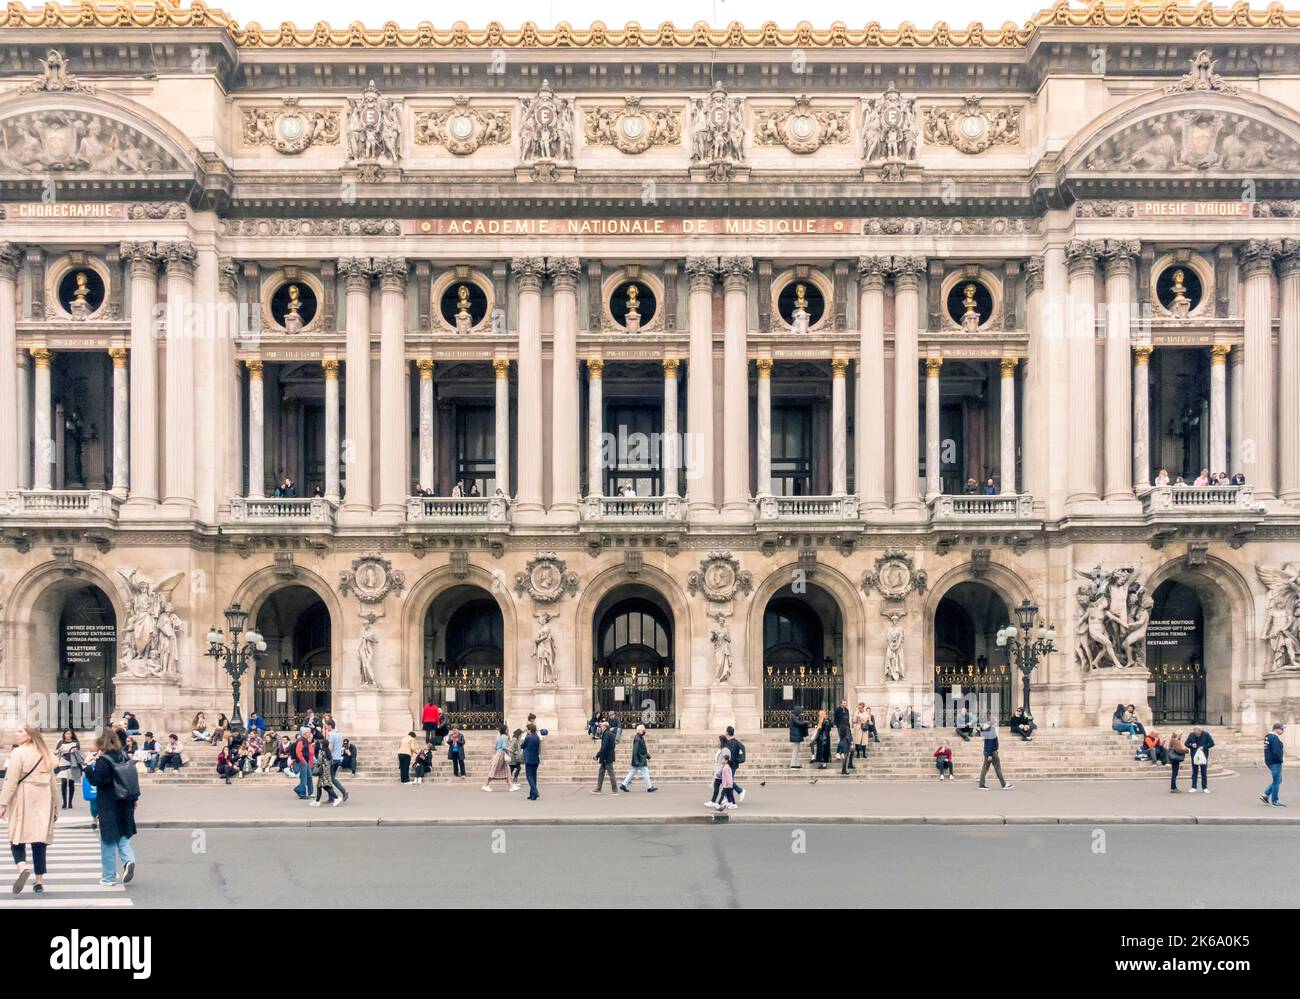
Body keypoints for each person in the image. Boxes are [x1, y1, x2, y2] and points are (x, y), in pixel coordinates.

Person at [0, 724, 59, 894]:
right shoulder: (46, 753)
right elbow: (53, 782)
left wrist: (3, 804)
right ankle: (39, 881)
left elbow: (11, 781)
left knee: (16, 837)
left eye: (20, 731)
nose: (16, 733)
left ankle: (22, 868)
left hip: (23, 797)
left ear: (29, 735)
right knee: (39, 841)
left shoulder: (18, 752)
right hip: (44, 798)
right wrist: (55, 806)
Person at [86, 728, 138, 888]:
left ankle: (108, 877)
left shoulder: (103, 760)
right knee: (122, 835)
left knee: (107, 840)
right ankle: (129, 860)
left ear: (101, 741)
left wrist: (88, 766)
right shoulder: (123, 755)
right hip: (126, 801)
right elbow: (130, 776)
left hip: (109, 803)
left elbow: (97, 780)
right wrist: (134, 798)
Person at [976, 719, 1013, 790]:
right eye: (996, 723)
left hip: (988, 751)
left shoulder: (988, 730)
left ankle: (982, 784)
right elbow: (990, 744)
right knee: (997, 768)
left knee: (985, 768)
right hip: (992, 752)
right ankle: (1004, 784)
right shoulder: (991, 731)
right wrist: (990, 755)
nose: (997, 725)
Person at [620, 724, 657, 792]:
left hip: (640, 758)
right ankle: (649, 787)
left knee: (633, 772)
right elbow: (635, 750)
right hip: (640, 759)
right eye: (643, 730)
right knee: (645, 772)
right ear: (639, 730)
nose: (644, 731)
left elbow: (643, 749)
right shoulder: (637, 738)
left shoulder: (640, 737)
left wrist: (648, 755)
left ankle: (623, 785)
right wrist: (636, 760)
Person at [53, 729, 83, 809]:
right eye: (66, 734)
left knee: (71, 782)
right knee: (63, 782)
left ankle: (70, 802)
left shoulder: (75, 742)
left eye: (69, 734)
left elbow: (79, 752)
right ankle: (64, 802)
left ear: (72, 734)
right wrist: (59, 750)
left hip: (72, 763)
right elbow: (55, 752)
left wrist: (75, 751)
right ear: (64, 734)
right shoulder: (60, 742)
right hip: (63, 762)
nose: (68, 735)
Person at [483, 724, 515, 792]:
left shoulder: (499, 737)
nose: (508, 730)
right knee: (495, 770)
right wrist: (510, 750)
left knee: (506, 769)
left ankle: (511, 786)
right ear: (505, 730)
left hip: (498, 753)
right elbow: (503, 747)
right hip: (501, 754)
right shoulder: (505, 737)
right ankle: (486, 785)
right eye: (507, 729)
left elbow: (496, 747)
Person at [1185, 726, 1215, 794]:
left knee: (1203, 771)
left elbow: (1212, 743)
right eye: (1195, 734)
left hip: (1203, 755)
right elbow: (1186, 743)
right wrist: (1191, 745)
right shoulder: (1191, 734)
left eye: (1198, 734)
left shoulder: (1206, 734)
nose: (1196, 735)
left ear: (1201, 731)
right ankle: (1193, 787)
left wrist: (1204, 747)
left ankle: (1205, 787)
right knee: (1194, 771)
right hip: (1194, 755)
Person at [312, 734, 340, 807]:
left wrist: (317, 760)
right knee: (323, 786)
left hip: (323, 772)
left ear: (322, 745)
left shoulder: (322, 752)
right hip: (326, 771)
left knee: (324, 787)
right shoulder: (328, 752)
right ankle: (317, 801)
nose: (320, 745)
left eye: (320, 744)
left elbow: (319, 762)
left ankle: (337, 798)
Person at [1262, 722, 1285, 806]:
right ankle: (1275, 800)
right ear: (1276, 729)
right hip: (1275, 762)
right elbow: (1276, 751)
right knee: (1277, 781)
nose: (1283, 731)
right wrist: (1280, 760)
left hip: (1270, 761)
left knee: (1278, 780)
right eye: (1282, 729)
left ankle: (1265, 795)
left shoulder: (1268, 736)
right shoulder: (1274, 737)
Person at [593, 720, 619, 794]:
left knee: (611, 773)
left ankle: (615, 790)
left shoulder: (606, 734)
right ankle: (598, 788)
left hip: (607, 757)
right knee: (601, 772)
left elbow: (603, 747)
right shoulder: (608, 734)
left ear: (605, 727)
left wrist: (597, 755)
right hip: (606, 756)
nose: (600, 727)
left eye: (601, 726)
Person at [326, 720, 348, 803]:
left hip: (332, 759)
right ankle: (332, 797)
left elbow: (330, 748)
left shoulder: (331, 735)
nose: (326, 727)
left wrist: (325, 753)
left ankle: (342, 792)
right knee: (331, 778)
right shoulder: (339, 734)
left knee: (330, 778)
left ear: (330, 726)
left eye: (327, 726)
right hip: (338, 758)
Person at [706, 735, 730, 809]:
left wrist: (719, 771)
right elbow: (717, 762)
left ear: (722, 742)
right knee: (722, 787)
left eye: (718, 741)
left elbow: (725, 761)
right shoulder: (720, 749)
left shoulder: (725, 750)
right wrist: (714, 770)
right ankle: (729, 800)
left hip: (722, 772)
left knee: (717, 786)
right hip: (718, 771)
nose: (717, 742)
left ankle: (713, 802)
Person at [724, 726, 747, 801]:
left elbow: (729, 756)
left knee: (729, 781)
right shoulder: (736, 742)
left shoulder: (730, 743)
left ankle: (740, 791)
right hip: (733, 765)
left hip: (731, 765)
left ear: (727, 733)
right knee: (728, 781)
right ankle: (728, 798)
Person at [522, 722, 542, 801]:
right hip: (536, 759)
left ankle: (535, 791)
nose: (526, 731)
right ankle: (532, 795)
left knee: (529, 776)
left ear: (530, 730)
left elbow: (522, 746)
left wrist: (523, 736)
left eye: (527, 729)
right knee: (534, 777)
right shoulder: (537, 737)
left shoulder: (528, 737)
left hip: (529, 759)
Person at [293, 729, 314, 800]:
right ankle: (302, 794)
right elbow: (298, 752)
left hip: (305, 762)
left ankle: (300, 789)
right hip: (302, 762)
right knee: (304, 778)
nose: (310, 734)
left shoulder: (305, 740)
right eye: (309, 732)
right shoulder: (301, 740)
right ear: (305, 733)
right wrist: (303, 761)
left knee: (309, 776)